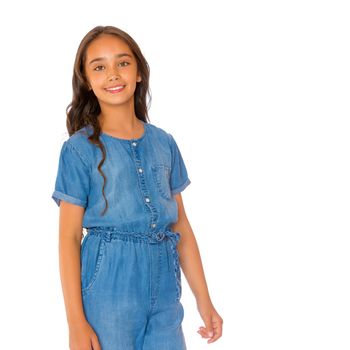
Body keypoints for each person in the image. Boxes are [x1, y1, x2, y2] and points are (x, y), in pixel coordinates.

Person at [51, 25, 223, 350]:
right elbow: (69, 237)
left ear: (139, 72)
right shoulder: (78, 150)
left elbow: (180, 225)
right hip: (108, 285)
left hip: (165, 289)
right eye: (99, 67)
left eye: (123, 63)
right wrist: (76, 322)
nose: (113, 74)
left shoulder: (164, 143)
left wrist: (204, 300)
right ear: (88, 81)